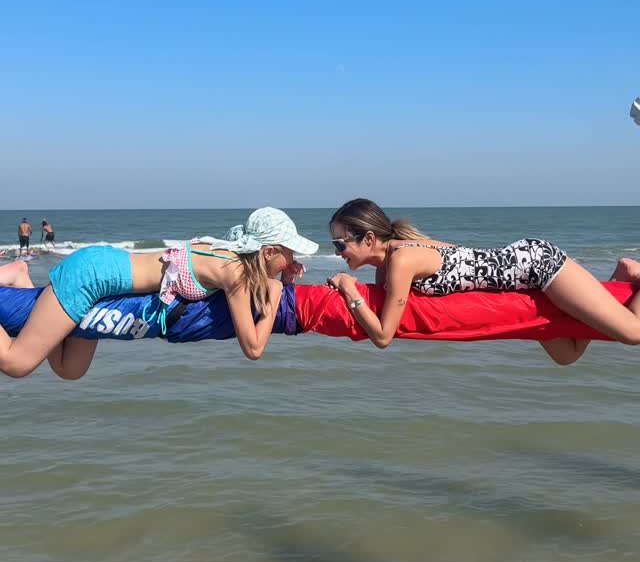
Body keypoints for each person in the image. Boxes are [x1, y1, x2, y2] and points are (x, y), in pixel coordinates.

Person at [0, 207, 317, 380]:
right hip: (90, 278)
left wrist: (283, 277)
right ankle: (15, 274)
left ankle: (19, 276)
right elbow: (253, 347)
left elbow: (258, 278)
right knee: (17, 364)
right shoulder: (234, 273)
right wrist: (276, 295)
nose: (294, 259)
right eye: (289, 253)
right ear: (268, 251)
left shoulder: (232, 257)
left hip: (105, 279)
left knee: (70, 370)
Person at [327, 198, 640, 366]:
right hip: (522, 283)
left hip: (537, 267)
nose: (338, 252)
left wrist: (349, 288)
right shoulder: (389, 264)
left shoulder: (401, 261)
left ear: (369, 239)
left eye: (340, 244)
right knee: (566, 355)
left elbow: (383, 336)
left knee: (634, 333)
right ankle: (620, 276)